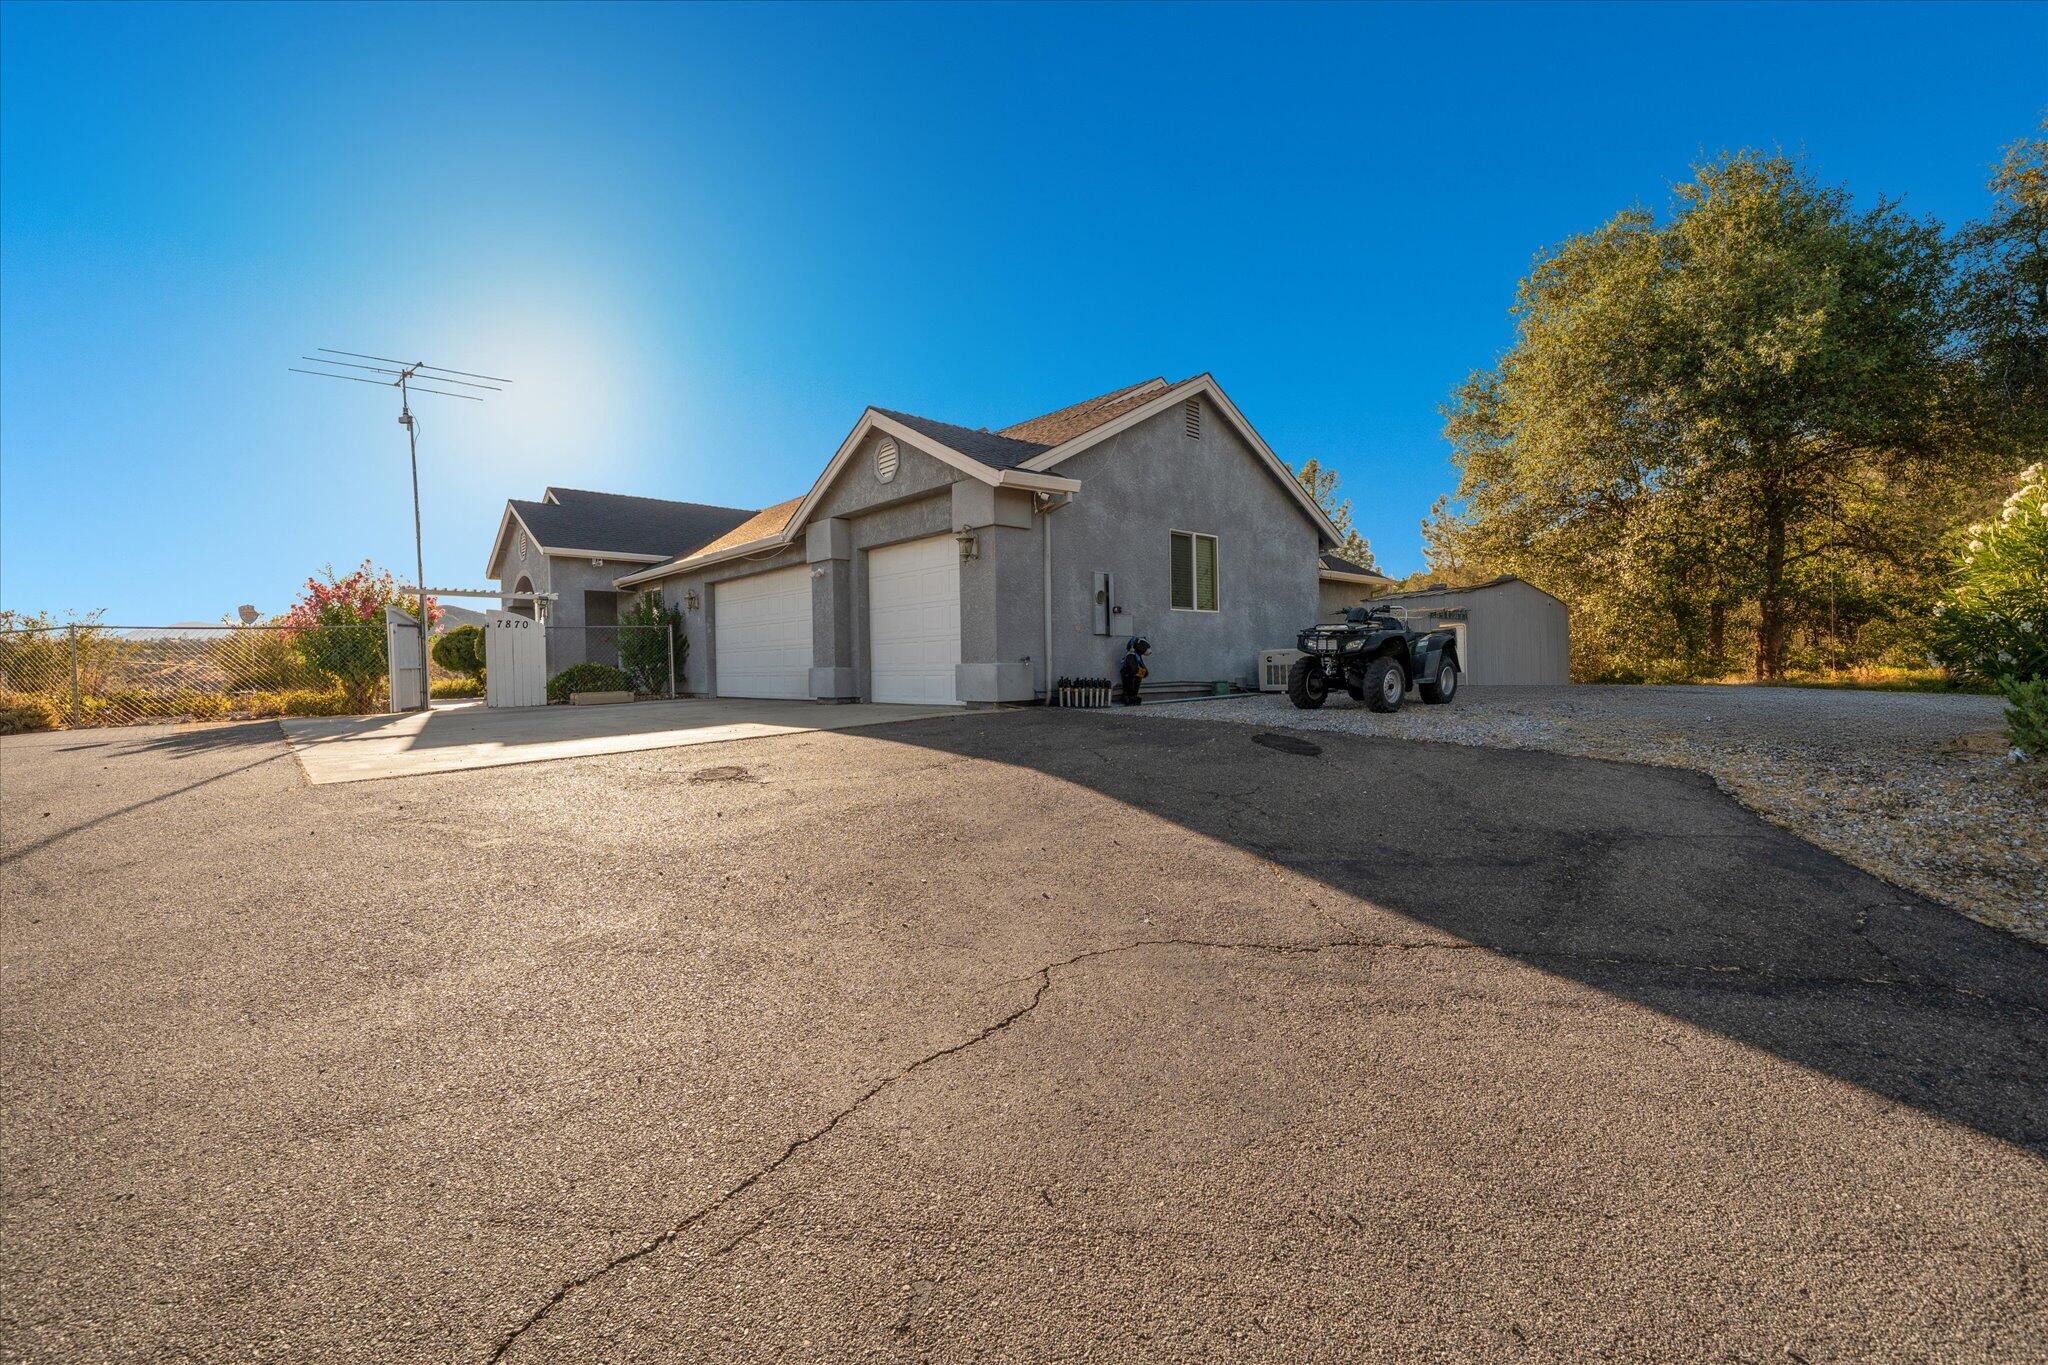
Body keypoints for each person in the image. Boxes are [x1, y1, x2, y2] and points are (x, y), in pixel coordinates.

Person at [1118, 635, 1151, 705]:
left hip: (1136, 675)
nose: (1148, 650)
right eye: (1147, 648)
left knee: (1135, 685)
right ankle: (1128, 697)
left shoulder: (1138, 656)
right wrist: (1135, 671)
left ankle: (1134, 696)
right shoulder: (1131, 655)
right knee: (1129, 685)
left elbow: (1141, 664)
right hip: (1129, 674)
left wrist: (1144, 672)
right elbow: (1131, 665)